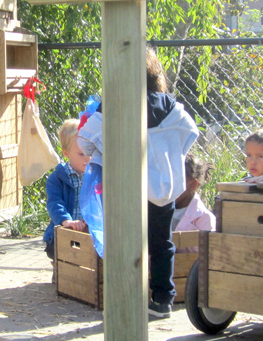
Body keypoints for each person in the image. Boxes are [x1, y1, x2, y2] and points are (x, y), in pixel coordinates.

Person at [77, 47, 199, 319]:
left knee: (126, 242)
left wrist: (105, 151)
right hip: (163, 186)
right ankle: (162, 299)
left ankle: (128, 296)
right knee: (161, 241)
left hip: (127, 184)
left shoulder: (114, 104)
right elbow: (191, 131)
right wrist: (170, 151)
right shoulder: (168, 104)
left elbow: (84, 140)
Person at [42, 119, 90, 260]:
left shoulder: (94, 176)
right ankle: (62, 269)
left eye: (90, 152)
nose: (87, 158)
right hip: (66, 232)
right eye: (81, 154)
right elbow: (55, 204)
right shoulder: (57, 179)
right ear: (66, 153)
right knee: (65, 249)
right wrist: (66, 221)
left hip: (89, 232)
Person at [173, 152, 216, 233]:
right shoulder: (157, 207)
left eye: (176, 182)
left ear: (193, 184)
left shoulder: (204, 220)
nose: (170, 186)